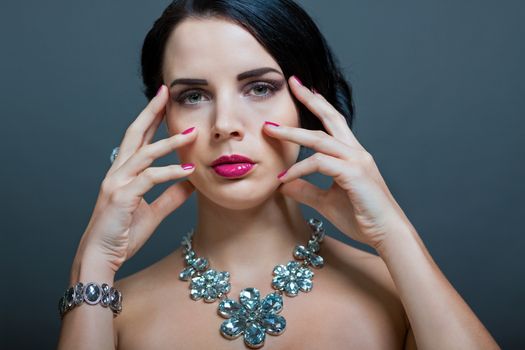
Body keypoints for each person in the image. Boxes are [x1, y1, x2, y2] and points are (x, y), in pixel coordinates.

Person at [57, 0, 500, 349]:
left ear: (308, 105)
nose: (225, 123)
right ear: (161, 119)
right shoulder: (114, 310)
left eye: (260, 87)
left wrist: (394, 234)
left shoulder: (398, 294)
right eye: (193, 95)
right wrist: (93, 266)